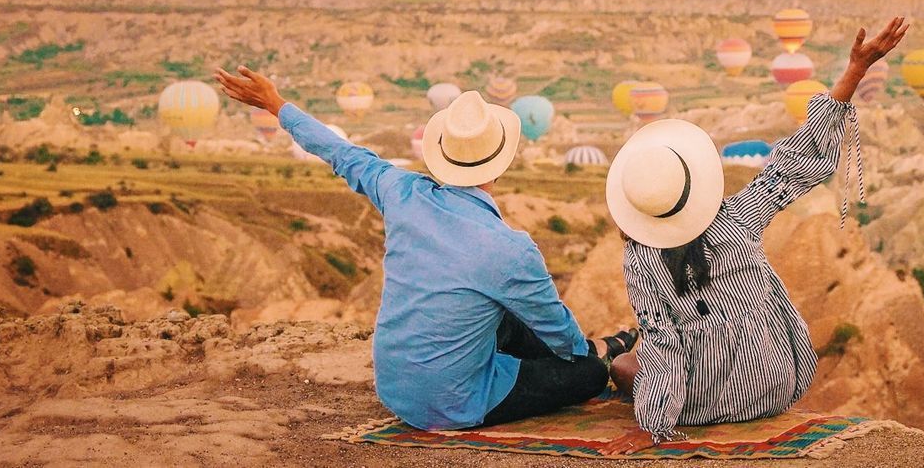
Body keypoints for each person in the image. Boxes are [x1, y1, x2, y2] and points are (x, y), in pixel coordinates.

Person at [213, 67, 636, 430]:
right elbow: (560, 335)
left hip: (396, 391)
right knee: (583, 372)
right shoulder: (511, 249)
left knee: (509, 317)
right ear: (502, 162)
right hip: (453, 403)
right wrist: (588, 354)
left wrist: (276, 103)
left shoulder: (400, 192)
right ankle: (611, 347)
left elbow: (340, 153)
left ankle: (609, 345)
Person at [601, 18, 908, 452]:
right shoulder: (738, 219)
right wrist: (855, 69)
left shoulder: (643, 261)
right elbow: (792, 164)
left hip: (701, 403)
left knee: (625, 363)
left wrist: (652, 427)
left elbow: (664, 347)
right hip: (776, 384)